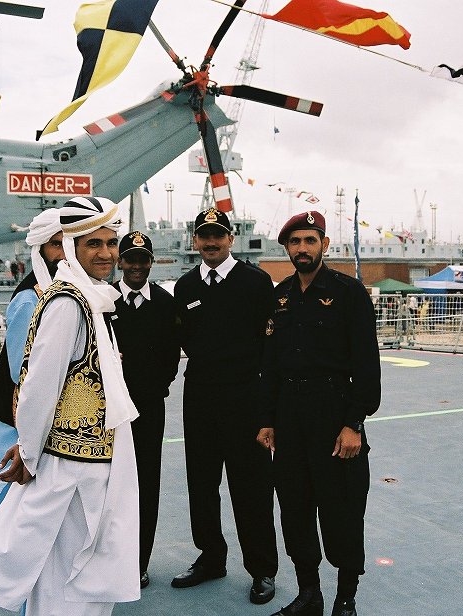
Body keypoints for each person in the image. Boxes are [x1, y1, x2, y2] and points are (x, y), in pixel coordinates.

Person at [0, 195, 140, 615]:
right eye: (93, 243)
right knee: (66, 579)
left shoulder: (92, 298)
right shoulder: (66, 303)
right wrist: (28, 450)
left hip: (96, 462)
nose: (106, 253)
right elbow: (37, 387)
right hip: (70, 468)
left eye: (110, 243)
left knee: (89, 574)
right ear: (72, 247)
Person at [257, 211, 381, 616]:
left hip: (334, 415)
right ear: (287, 248)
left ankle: (345, 600)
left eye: (310, 241)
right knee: (294, 507)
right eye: (295, 242)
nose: (302, 249)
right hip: (290, 417)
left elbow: (366, 363)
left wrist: (354, 423)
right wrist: (268, 419)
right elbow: (271, 365)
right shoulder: (281, 296)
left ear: (325, 245)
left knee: (342, 508)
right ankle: (309, 594)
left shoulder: (349, 293)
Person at [171, 207, 278, 605]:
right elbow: (179, 341)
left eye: (218, 235)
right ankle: (211, 557)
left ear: (230, 239)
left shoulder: (256, 282)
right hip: (200, 396)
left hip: (246, 399)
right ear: (195, 241)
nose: (211, 242)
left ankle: (262, 568)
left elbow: (271, 346)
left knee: (251, 488)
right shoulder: (184, 288)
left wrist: (269, 410)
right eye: (204, 236)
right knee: (201, 484)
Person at [109, 230, 180, 590]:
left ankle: (139, 562)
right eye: (130, 258)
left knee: (145, 484)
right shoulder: (103, 303)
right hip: (106, 410)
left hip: (148, 408)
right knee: (106, 484)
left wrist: (152, 390)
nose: (137, 265)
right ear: (120, 261)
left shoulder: (166, 305)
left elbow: (171, 359)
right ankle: (108, 560)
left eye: (143, 259)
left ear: (151, 262)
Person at [0, 208, 64, 514]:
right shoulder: (29, 298)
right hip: (15, 421)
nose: (63, 253)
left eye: (68, 244)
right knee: (9, 502)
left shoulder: (58, 294)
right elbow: (22, 373)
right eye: (55, 245)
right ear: (40, 251)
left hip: (40, 419)